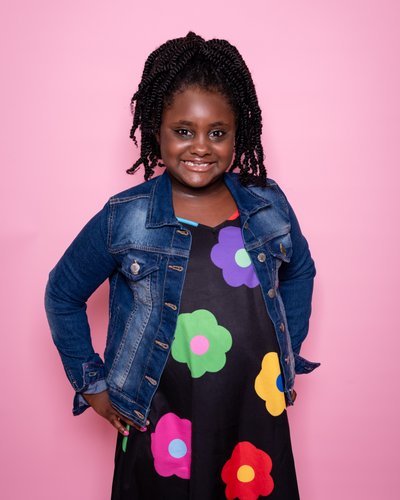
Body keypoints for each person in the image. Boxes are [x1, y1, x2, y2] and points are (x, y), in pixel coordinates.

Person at [45, 31, 319, 499]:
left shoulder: (267, 204)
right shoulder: (126, 217)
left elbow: (300, 272)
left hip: (255, 407)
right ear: (157, 128)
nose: (201, 147)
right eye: (184, 131)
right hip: (163, 416)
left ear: (239, 132)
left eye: (218, 133)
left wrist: (285, 357)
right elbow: (62, 294)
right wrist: (93, 386)